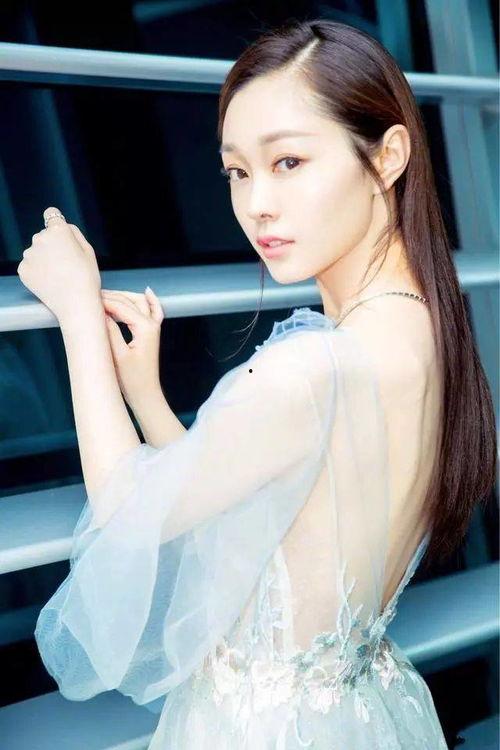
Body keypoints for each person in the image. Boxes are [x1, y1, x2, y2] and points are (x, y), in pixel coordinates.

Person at [22, 18, 496, 750]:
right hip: (361, 711)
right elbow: (265, 531)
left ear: (388, 155)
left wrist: (78, 314)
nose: (256, 204)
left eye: (289, 162)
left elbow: (123, 518)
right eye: (237, 172)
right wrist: (145, 397)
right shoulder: (423, 332)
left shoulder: (307, 371)